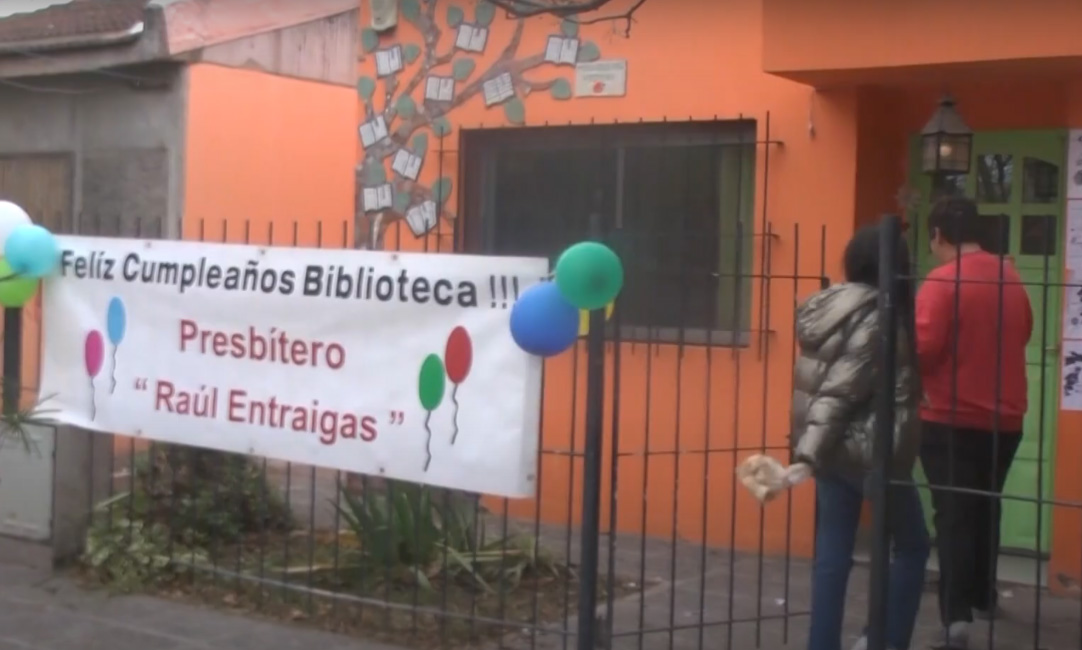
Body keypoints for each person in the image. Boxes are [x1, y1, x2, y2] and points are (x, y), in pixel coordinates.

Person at [783, 223, 930, 650]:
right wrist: (805, 457)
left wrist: (811, 452)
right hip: (872, 452)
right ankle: (885, 640)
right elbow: (837, 392)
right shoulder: (878, 317)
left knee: (832, 555)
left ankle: (823, 642)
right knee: (913, 547)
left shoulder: (829, 306)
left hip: (834, 455)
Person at [915, 196, 1032, 648]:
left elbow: (923, 348)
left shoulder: (943, 282)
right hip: (1007, 417)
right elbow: (1024, 332)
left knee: (953, 515)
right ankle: (984, 593)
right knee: (986, 503)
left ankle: (956, 617)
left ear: (938, 235)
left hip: (951, 415)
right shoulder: (1011, 277)